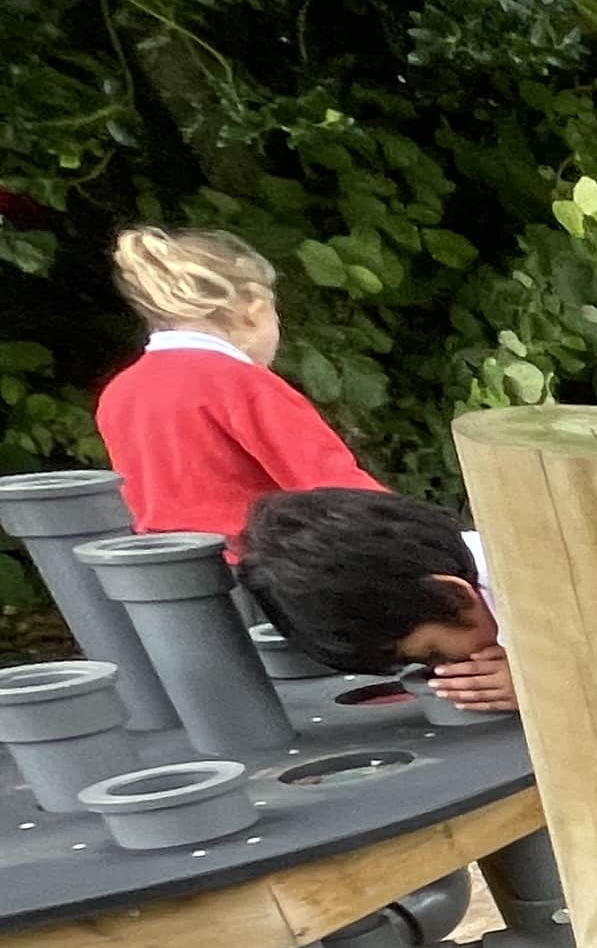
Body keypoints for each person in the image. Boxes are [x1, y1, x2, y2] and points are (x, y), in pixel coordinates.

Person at [93, 227, 380, 546]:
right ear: (253, 312)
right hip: (259, 574)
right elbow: (343, 494)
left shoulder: (120, 392)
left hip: (165, 580)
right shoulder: (241, 384)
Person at [237, 486, 517, 710]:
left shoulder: (541, 581)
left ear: (451, 595)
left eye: (434, 652)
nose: (445, 669)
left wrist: (543, 691)